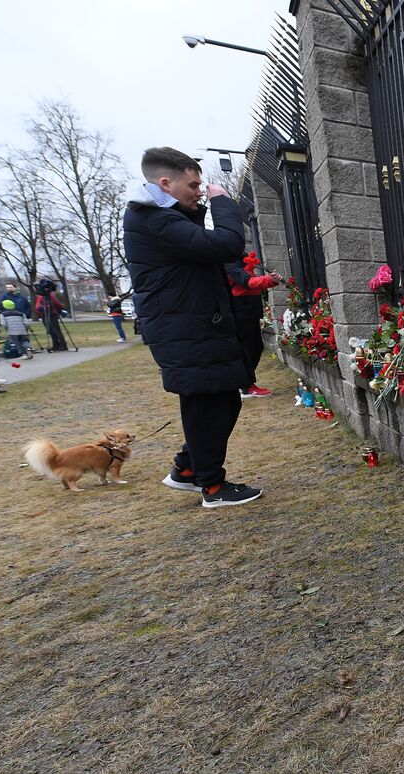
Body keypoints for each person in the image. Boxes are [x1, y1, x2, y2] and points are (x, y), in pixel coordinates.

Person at [124, 146, 261, 508]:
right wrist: (222, 203)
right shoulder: (154, 219)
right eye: (194, 185)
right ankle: (212, 487)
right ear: (165, 183)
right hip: (185, 328)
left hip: (189, 325)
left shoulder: (160, 216)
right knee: (209, 404)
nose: (200, 191)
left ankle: (187, 470)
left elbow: (198, 250)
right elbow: (227, 245)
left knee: (219, 399)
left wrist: (197, 208)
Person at [225, 250, 281, 398]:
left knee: (255, 347)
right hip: (240, 314)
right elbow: (248, 282)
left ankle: (244, 383)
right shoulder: (229, 264)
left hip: (249, 313)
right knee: (248, 349)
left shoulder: (238, 261)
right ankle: (246, 385)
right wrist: (269, 280)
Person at [35, 280, 68, 351]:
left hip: (52, 314)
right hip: (46, 314)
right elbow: (38, 306)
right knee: (51, 330)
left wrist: (60, 310)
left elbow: (57, 304)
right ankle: (57, 344)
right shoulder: (41, 296)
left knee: (55, 330)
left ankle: (62, 344)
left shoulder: (49, 295)